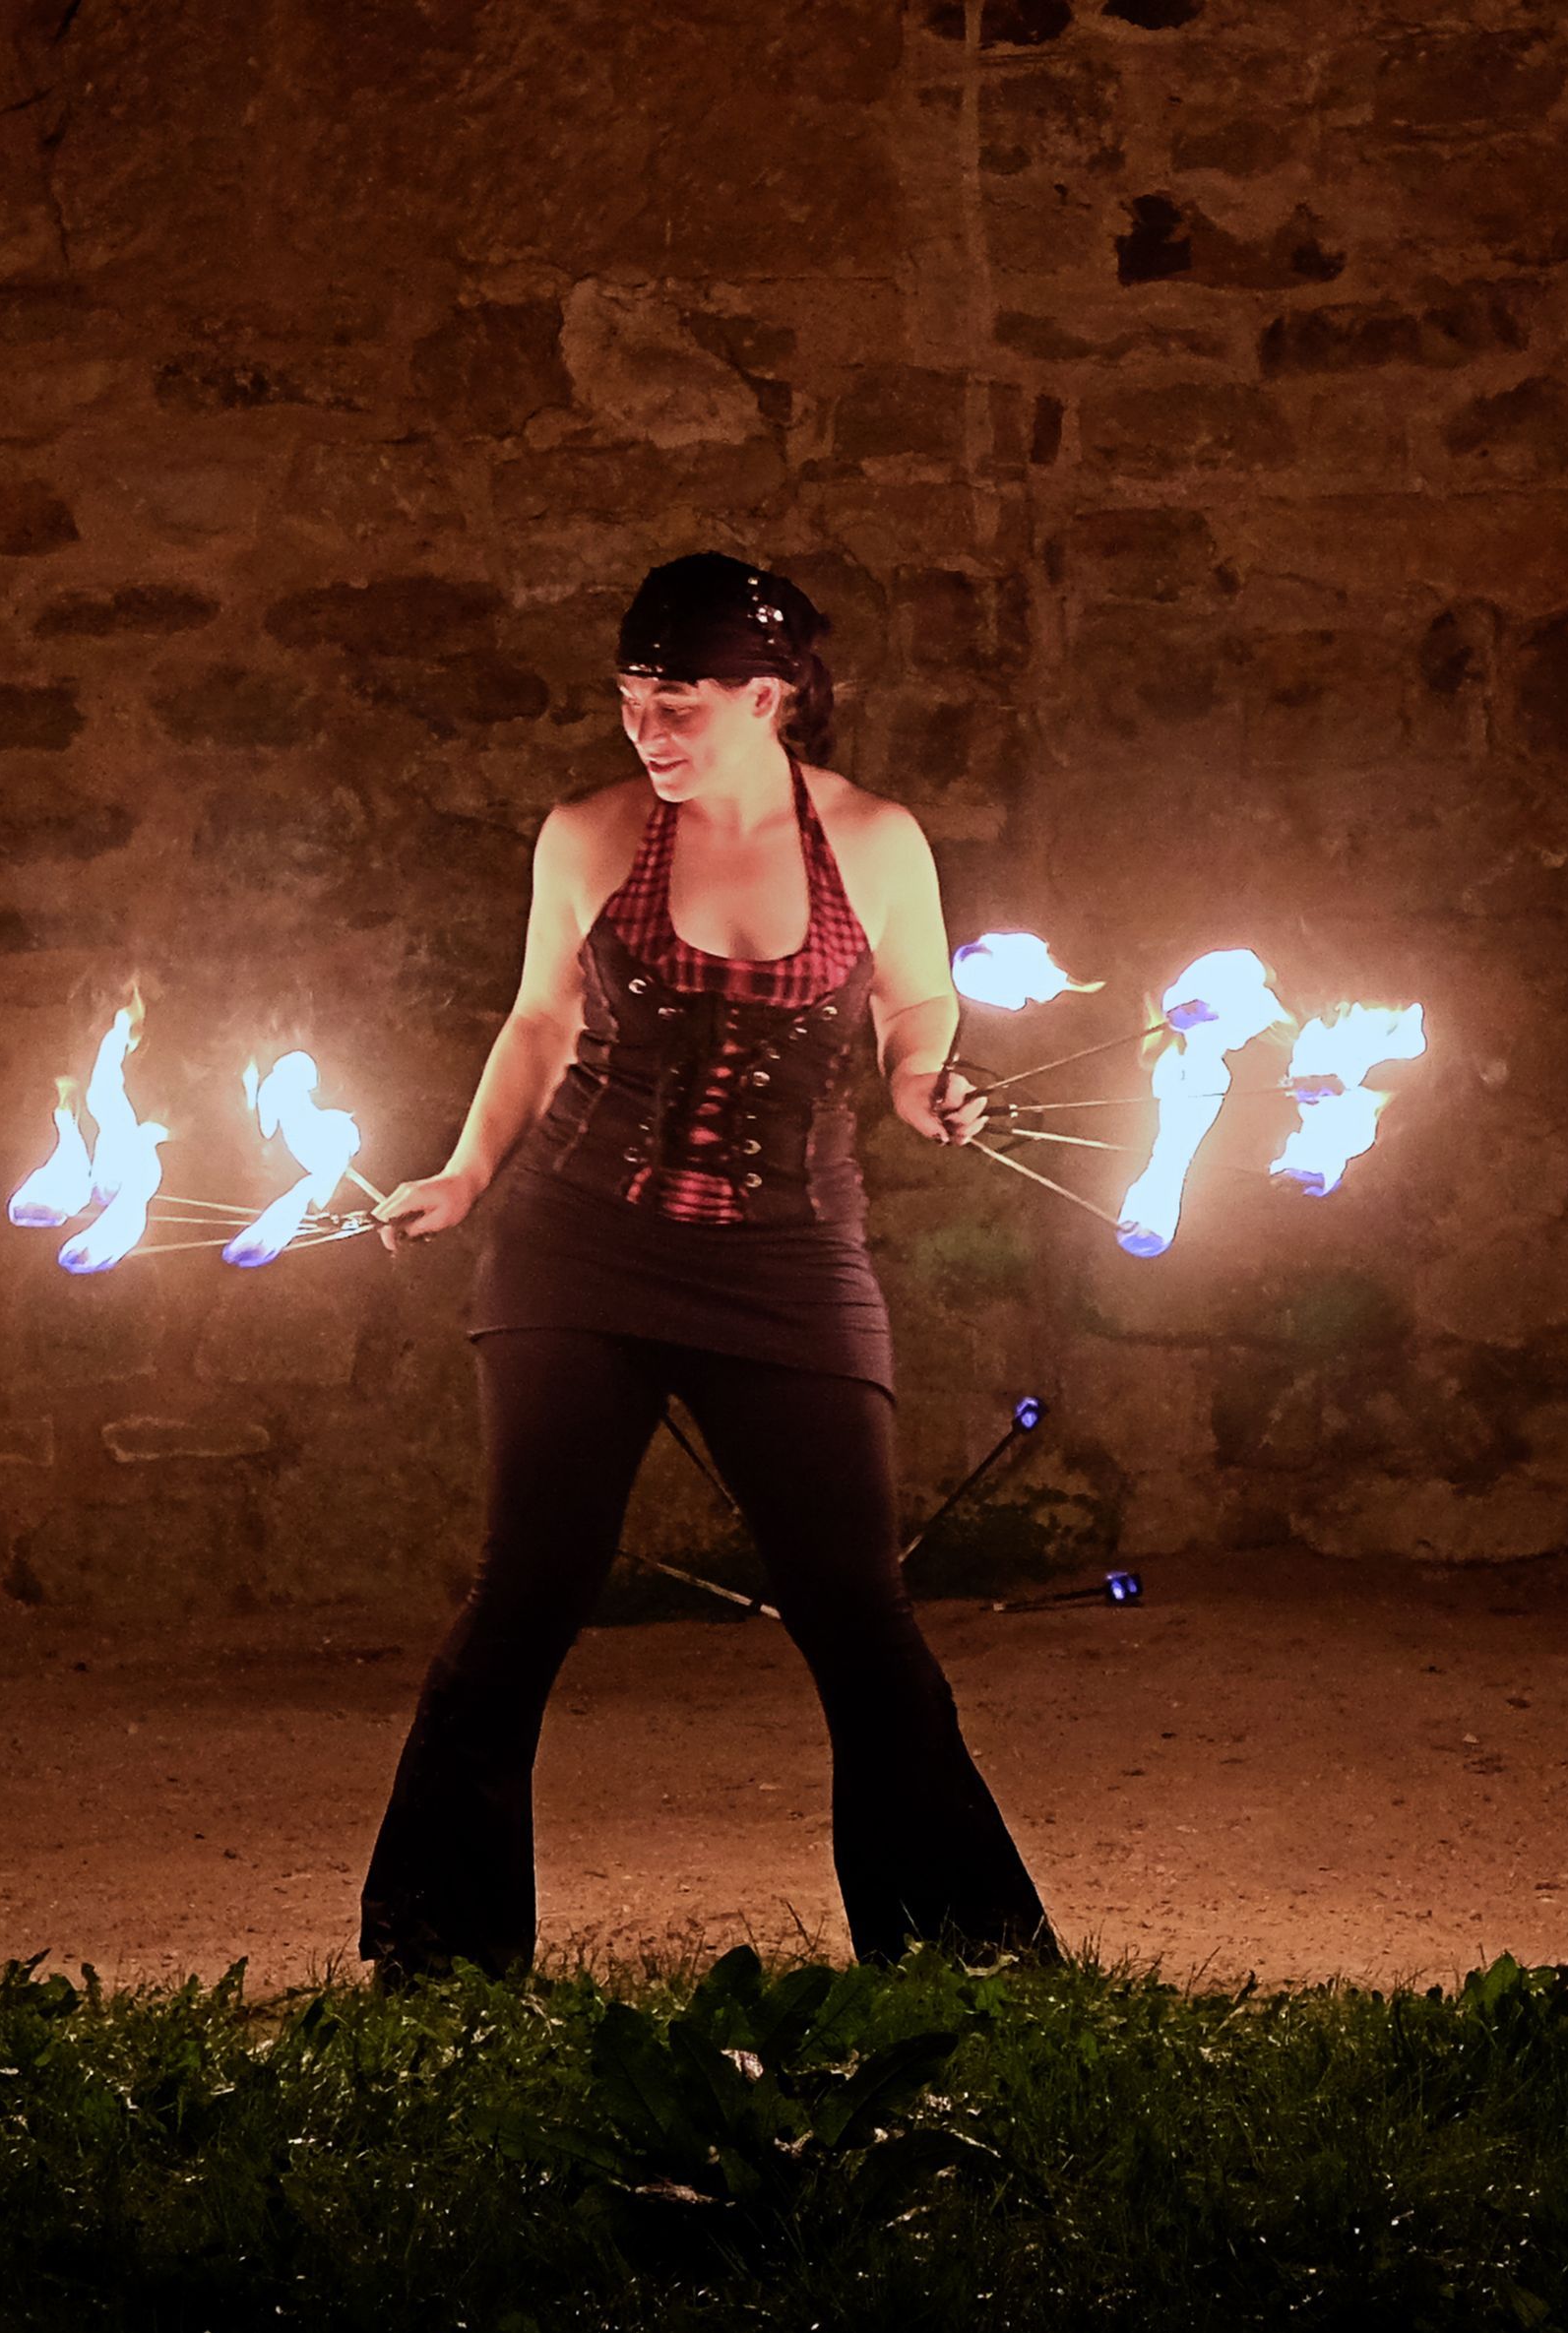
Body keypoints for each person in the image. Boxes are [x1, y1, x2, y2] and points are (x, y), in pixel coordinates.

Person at [356, 550, 1060, 1985]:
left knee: (856, 1610)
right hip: (582, 1244)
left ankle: (964, 1954)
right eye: (631, 701)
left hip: (788, 1254)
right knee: (531, 1589)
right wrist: (465, 1175)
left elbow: (916, 1002)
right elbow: (539, 1023)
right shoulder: (590, 835)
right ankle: (435, 1957)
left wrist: (926, 1085)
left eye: (677, 705)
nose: (647, 731)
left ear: (769, 697)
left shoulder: (874, 840)